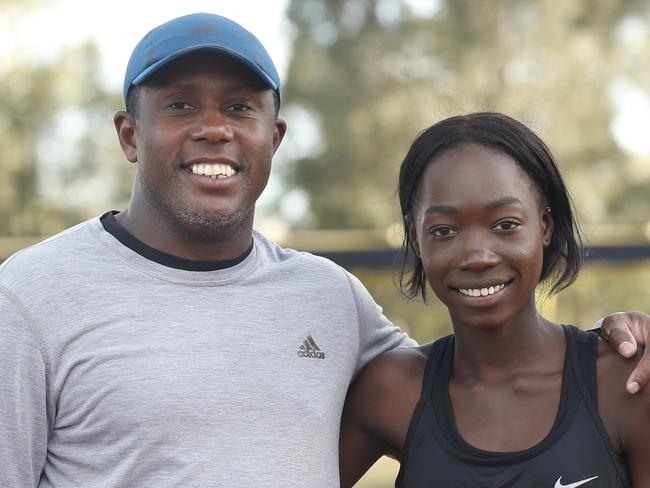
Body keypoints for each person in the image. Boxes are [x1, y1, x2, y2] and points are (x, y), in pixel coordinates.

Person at [0, 13, 647, 488]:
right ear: (129, 133)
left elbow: (493, 362)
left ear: (273, 136)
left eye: (239, 107)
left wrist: (622, 336)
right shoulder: (30, 295)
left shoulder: (328, 298)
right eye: (178, 104)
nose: (215, 128)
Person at [339, 112, 650, 487]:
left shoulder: (625, 382)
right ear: (416, 239)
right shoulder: (391, 391)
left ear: (545, 226)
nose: (477, 256)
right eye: (444, 230)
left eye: (506, 225)